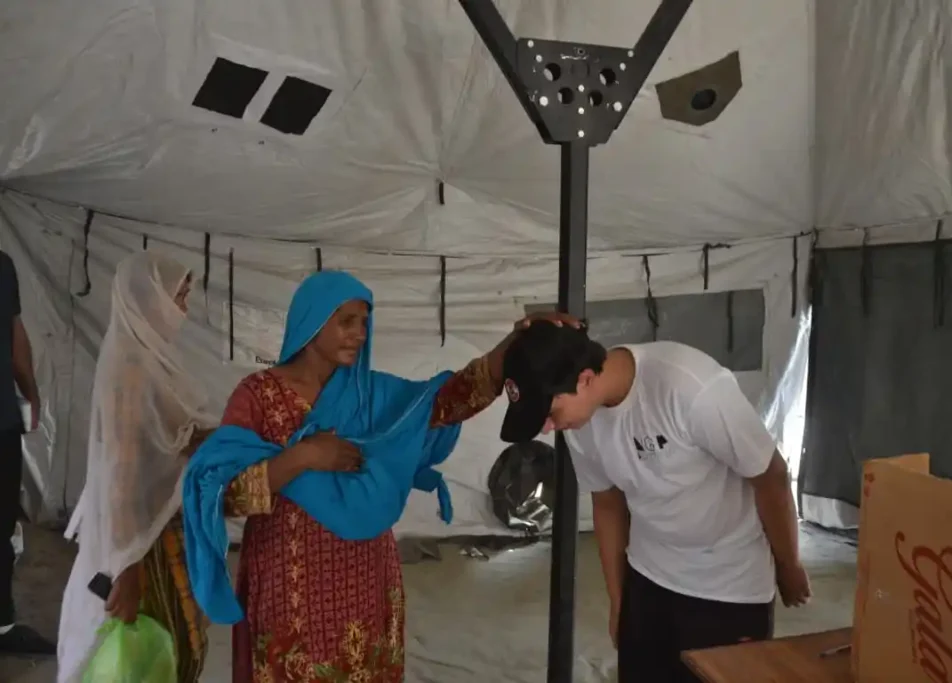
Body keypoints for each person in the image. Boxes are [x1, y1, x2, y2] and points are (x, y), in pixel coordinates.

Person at [192, 270, 578, 683]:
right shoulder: (257, 398)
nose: (359, 333)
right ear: (313, 320)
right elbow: (225, 494)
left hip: (365, 577)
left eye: (364, 322)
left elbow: (444, 403)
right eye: (347, 321)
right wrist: (304, 457)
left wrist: (511, 347)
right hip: (291, 588)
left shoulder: (372, 394)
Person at [498, 321, 811, 683]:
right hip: (649, 580)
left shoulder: (688, 386)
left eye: (550, 414)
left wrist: (788, 564)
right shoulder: (579, 424)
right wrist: (619, 603)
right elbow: (607, 504)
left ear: (584, 379)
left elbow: (769, 474)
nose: (547, 429)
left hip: (728, 586)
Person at [57, 252, 232, 683]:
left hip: (160, 531)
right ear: (147, 299)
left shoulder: (150, 361)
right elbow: (121, 478)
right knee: (162, 646)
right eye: (178, 297)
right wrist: (128, 570)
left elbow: (170, 438)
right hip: (142, 544)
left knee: (174, 647)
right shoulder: (130, 370)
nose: (183, 310)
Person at [0, 249, 53, 656]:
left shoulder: (2, 265)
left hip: (2, 420)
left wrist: (30, 390)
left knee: (2, 525)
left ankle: (3, 626)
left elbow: (14, 329)